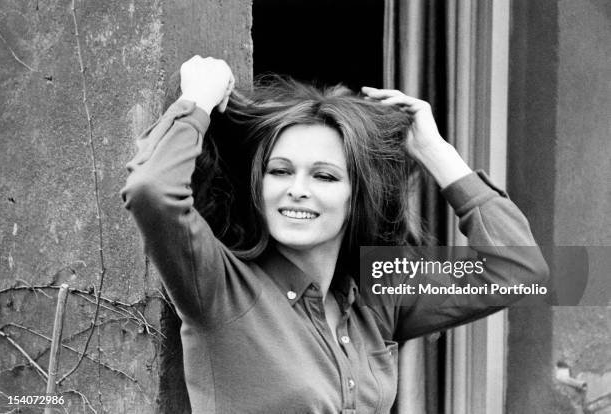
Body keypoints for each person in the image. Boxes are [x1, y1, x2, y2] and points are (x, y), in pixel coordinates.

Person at [121, 56, 548, 413]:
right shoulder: (221, 287)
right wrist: (197, 100)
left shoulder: (375, 298)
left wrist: (436, 152)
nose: (298, 189)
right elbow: (151, 190)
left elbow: (519, 272)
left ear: (355, 197)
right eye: (280, 171)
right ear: (259, 186)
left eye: (324, 176)